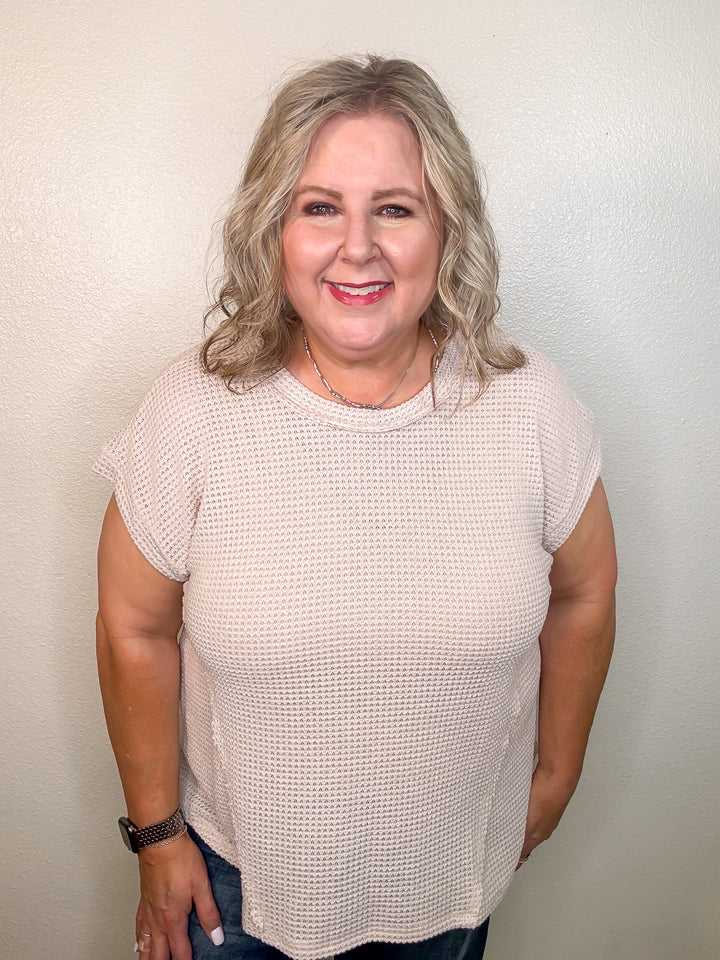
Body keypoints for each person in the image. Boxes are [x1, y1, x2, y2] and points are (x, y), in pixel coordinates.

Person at [94, 55, 616, 960]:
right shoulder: (193, 411)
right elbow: (132, 628)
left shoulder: (530, 405)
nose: (358, 246)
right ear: (274, 228)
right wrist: (157, 835)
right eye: (321, 207)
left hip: (452, 889)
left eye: (396, 209)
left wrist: (558, 773)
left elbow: (585, 595)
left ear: (446, 227)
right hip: (237, 890)